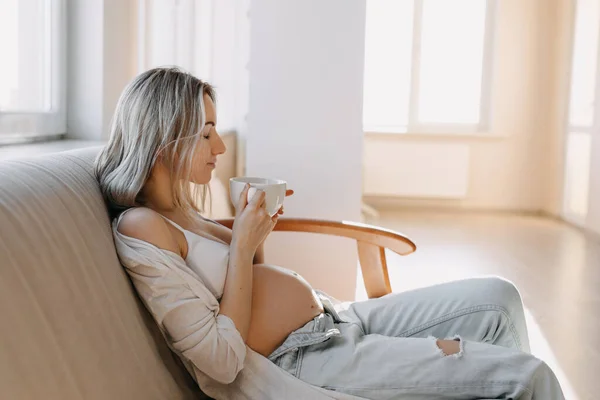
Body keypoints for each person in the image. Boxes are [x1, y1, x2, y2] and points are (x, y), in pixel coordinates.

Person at [95, 67, 565, 400]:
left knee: (498, 300)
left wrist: (253, 236)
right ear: (164, 140)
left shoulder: (180, 209)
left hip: (334, 321)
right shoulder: (142, 226)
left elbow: (245, 284)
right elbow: (220, 362)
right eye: (206, 132)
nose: (219, 146)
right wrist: (240, 245)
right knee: (529, 378)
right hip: (301, 359)